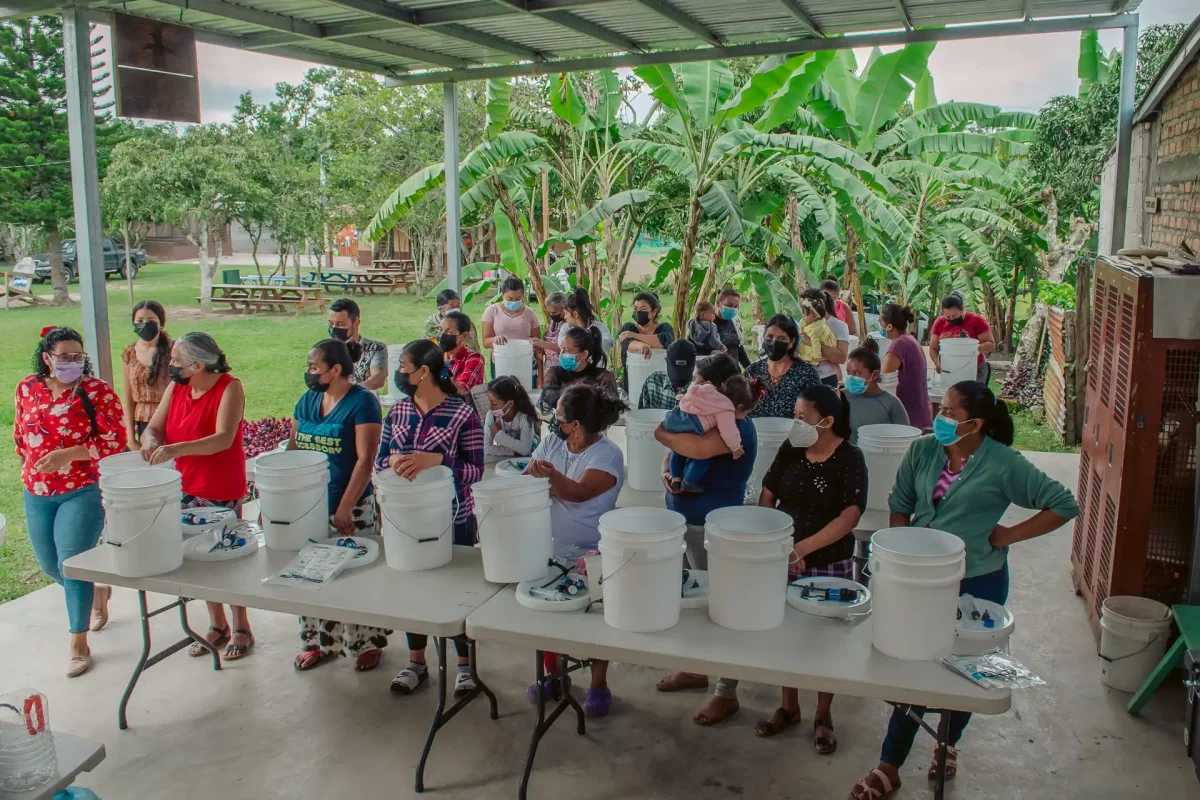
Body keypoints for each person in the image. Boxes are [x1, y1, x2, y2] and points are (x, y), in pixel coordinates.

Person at [850, 381, 1079, 799]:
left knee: (963, 672)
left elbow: (1064, 504)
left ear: (976, 423)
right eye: (942, 407)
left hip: (978, 580)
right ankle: (890, 763)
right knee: (913, 667)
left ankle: (947, 743)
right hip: (919, 581)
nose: (941, 415)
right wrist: (906, 551)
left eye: (951, 412)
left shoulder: (1003, 463)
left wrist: (1007, 534)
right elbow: (900, 502)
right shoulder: (923, 450)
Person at [752, 385, 866, 754]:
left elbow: (850, 514)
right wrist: (779, 542)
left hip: (829, 559)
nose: (795, 423)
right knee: (787, 636)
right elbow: (768, 493)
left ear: (827, 421)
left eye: (802, 417)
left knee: (825, 641)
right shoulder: (792, 448)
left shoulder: (850, 458)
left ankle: (823, 715)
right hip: (784, 555)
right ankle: (788, 706)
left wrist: (801, 548)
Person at [376, 339, 484, 698]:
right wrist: (392, 461)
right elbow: (380, 462)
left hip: (452, 517)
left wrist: (436, 461)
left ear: (424, 372)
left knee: (455, 592)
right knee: (414, 589)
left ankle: (466, 666)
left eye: (404, 368)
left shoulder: (461, 413)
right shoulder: (398, 412)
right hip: (407, 520)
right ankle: (417, 661)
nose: (400, 374)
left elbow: (476, 471)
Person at [16, 327, 126, 677]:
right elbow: (20, 433)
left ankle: (78, 644)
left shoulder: (97, 392)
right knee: (50, 566)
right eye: (64, 357)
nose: (72, 362)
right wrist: (29, 466)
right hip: (36, 490)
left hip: (81, 489)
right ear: (46, 358)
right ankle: (96, 592)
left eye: (78, 356)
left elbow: (115, 441)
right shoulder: (27, 388)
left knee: (71, 565)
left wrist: (69, 454)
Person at [652, 353, 758, 714]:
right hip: (686, 522)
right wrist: (668, 469)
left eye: (698, 380)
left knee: (721, 607)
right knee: (692, 603)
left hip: (713, 527)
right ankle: (695, 668)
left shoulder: (736, 426)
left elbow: (692, 447)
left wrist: (662, 433)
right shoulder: (702, 414)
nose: (692, 387)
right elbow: (675, 451)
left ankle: (725, 690)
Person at [141, 332, 252, 660]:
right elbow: (154, 427)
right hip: (184, 485)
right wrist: (149, 440)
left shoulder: (229, 387)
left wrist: (174, 449)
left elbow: (222, 438)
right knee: (198, 558)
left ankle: (242, 624)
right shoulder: (177, 387)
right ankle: (218, 624)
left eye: (177, 361)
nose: (171, 365)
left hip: (220, 487)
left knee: (225, 559)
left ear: (198, 365)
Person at [524, 384, 627, 718]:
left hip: (592, 550)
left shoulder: (607, 455)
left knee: (595, 619)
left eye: (560, 417)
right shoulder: (554, 441)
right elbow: (530, 475)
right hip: (548, 544)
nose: (555, 421)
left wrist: (550, 476)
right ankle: (554, 676)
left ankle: (598, 684)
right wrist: (538, 475)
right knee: (547, 613)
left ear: (577, 425)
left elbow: (579, 493)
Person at [290, 339, 385, 672]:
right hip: (310, 508)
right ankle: (318, 642)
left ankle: (366, 642)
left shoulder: (363, 403)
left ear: (336, 370)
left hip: (352, 506)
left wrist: (344, 506)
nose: (309, 373)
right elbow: (293, 451)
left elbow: (365, 460)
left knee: (355, 574)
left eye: (314, 367)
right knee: (312, 574)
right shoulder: (308, 399)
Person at [664, 371, 756, 493]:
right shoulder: (726, 409)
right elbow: (728, 432)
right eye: (746, 413)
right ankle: (688, 482)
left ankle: (676, 478)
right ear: (739, 407)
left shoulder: (710, 390)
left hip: (678, 417)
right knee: (703, 457)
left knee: (678, 451)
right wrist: (736, 448)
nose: (745, 417)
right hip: (695, 426)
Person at [745, 314, 821, 419]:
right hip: (756, 433)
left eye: (781, 338)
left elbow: (816, 411)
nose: (774, 342)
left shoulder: (806, 373)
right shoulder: (752, 371)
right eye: (769, 337)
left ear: (792, 342)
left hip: (793, 433)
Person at [121, 300, 172, 448]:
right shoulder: (130, 352)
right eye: (140, 321)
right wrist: (131, 437)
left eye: (151, 321)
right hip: (143, 420)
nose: (145, 324)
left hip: (172, 418)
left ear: (161, 324)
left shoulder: (175, 349)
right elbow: (129, 397)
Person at [539, 326, 619, 416]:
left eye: (566, 350)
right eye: (561, 349)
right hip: (562, 428)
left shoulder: (603, 377)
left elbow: (611, 405)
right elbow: (548, 395)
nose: (561, 354)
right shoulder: (555, 373)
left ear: (584, 354)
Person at [844, 340, 909, 443]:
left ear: (875, 375)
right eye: (849, 373)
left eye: (857, 373)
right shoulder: (842, 397)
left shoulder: (891, 403)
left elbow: (904, 437)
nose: (851, 378)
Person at [879, 303, 931, 429]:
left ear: (889, 326)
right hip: (920, 413)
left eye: (880, 322)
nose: (879, 326)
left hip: (908, 416)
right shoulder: (910, 340)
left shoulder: (898, 345)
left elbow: (883, 381)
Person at [482, 277, 541, 380]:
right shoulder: (492, 311)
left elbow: (537, 345)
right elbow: (486, 342)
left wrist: (540, 375)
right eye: (509, 299)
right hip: (501, 361)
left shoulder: (530, 313)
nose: (514, 302)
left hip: (525, 361)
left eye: (518, 299)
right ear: (502, 295)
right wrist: (495, 339)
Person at [930, 294, 995, 385]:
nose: (952, 319)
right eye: (948, 317)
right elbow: (933, 348)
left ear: (962, 309)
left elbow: (990, 345)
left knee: (971, 396)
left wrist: (968, 348)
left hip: (974, 368)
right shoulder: (940, 322)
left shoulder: (976, 320)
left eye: (955, 316)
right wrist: (937, 363)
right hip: (950, 369)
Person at [617, 292, 674, 391]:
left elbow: (663, 341)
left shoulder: (665, 328)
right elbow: (627, 343)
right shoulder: (628, 327)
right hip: (633, 381)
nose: (638, 312)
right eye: (635, 309)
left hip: (659, 386)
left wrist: (634, 335)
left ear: (654, 312)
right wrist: (641, 346)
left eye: (642, 309)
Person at [328, 298, 387, 393]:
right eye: (331, 323)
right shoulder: (325, 350)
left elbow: (378, 378)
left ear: (356, 323)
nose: (334, 328)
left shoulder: (375, 348)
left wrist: (351, 392)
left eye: (340, 324)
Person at [484, 375, 540, 458]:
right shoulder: (491, 417)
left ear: (510, 403)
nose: (491, 407)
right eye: (490, 402)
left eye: (495, 403)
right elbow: (487, 448)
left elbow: (525, 450)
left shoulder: (524, 418)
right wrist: (515, 451)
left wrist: (498, 435)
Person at [804, 288, 850, 386]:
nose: (804, 310)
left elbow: (841, 358)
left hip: (827, 378)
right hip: (806, 377)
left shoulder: (838, 326)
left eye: (806, 306)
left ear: (820, 302)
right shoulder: (804, 323)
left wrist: (812, 342)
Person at [639, 339, 699, 410]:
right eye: (675, 371)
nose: (679, 378)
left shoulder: (701, 389)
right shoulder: (653, 382)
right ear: (666, 361)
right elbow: (642, 416)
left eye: (683, 372)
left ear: (695, 364)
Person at [439, 310, 485, 395]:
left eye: (449, 331)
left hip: (462, 406)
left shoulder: (474, 359)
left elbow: (462, 389)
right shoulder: (436, 356)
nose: (442, 335)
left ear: (464, 336)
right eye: (440, 330)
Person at [560, 287, 613, 351]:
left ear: (575, 314)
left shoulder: (599, 326)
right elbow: (561, 344)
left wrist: (583, 339)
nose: (564, 317)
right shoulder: (566, 327)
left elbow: (609, 343)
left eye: (566, 313)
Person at [795, 295, 838, 374]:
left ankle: (813, 369)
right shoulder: (817, 322)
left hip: (820, 347)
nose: (803, 317)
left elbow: (815, 342)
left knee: (808, 359)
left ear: (814, 316)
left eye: (805, 315)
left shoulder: (815, 330)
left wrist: (816, 356)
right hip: (820, 342)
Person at [533, 290, 567, 378]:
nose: (552, 315)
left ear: (565, 308)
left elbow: (564, 347)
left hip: (562, 370)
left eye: (555, 313)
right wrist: (542, 350)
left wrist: (542, 343)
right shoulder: (553, 323)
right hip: (548, 368)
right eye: (550, 313)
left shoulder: (569, 326)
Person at [713, 287, 750, 367]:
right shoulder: (705, 325)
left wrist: (750, 368)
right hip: (714, 374)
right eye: (729, 305)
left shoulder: (735, 322)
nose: (733, 309)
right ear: (718, 303)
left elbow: (739, 348)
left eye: (736, 306)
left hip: (734, 374)